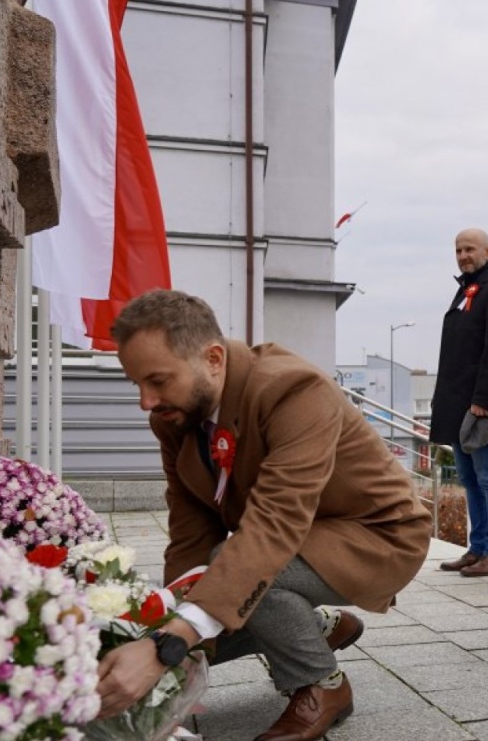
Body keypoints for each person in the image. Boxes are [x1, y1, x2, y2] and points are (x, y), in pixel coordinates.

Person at [97, 290, 433, 741]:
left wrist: (166, 647)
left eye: (157, 380)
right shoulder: (174, 417)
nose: (146, 401)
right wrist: (167, 627)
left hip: (377, 537)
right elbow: (189, 528)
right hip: (302, 535)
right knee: (212, 604)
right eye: (135, 383)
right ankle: (316, 629)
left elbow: (274, 524)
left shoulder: (293, 389)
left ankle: (321, 684)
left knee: (232, 572)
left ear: (213, 358)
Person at [429, 228, 488, 578]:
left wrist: (484, 399)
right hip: (456, 406)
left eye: (469, 249)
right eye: (458, 249)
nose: (463, 255)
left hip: (479, 407)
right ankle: (478, 548)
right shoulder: (466, 291)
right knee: (469, 478)